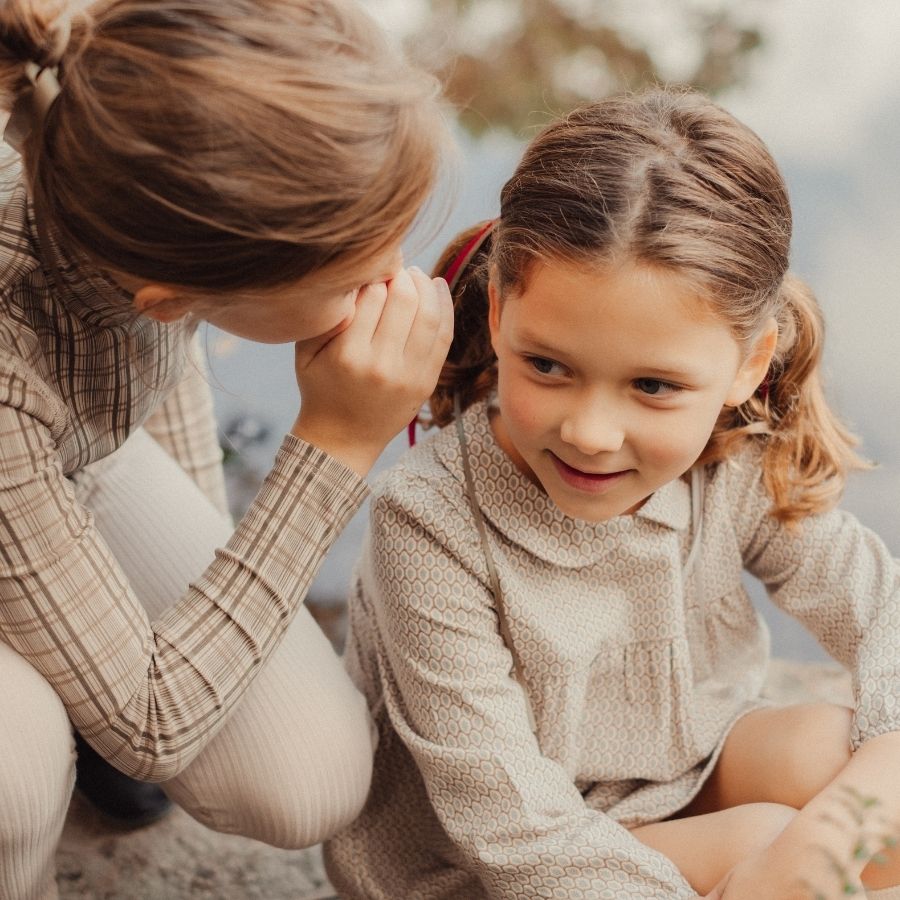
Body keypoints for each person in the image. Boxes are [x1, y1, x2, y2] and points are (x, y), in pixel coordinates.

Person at [323, 88, 900, 899]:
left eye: (654, 385)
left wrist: (856, 812)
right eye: (549, 366)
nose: (592, 432)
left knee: (853, 768)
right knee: (788, 843)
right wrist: (787, 871)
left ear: (748, 363)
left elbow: (884, 611)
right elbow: (514, 836)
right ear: (496, 313)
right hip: (485, 869)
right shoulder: (428, 521)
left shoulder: (729, 463)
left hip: (668, 785)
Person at [0, 0, 453, 896]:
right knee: (18, 766)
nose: (398, 286)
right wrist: (336, 445)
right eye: (360, 276)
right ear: (166, 295)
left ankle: (71, 680)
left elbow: (157, 380)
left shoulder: (133, 190)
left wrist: (175, 616)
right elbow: (155, 720)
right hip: (15, 450)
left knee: (308, 776)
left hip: (58, 469)